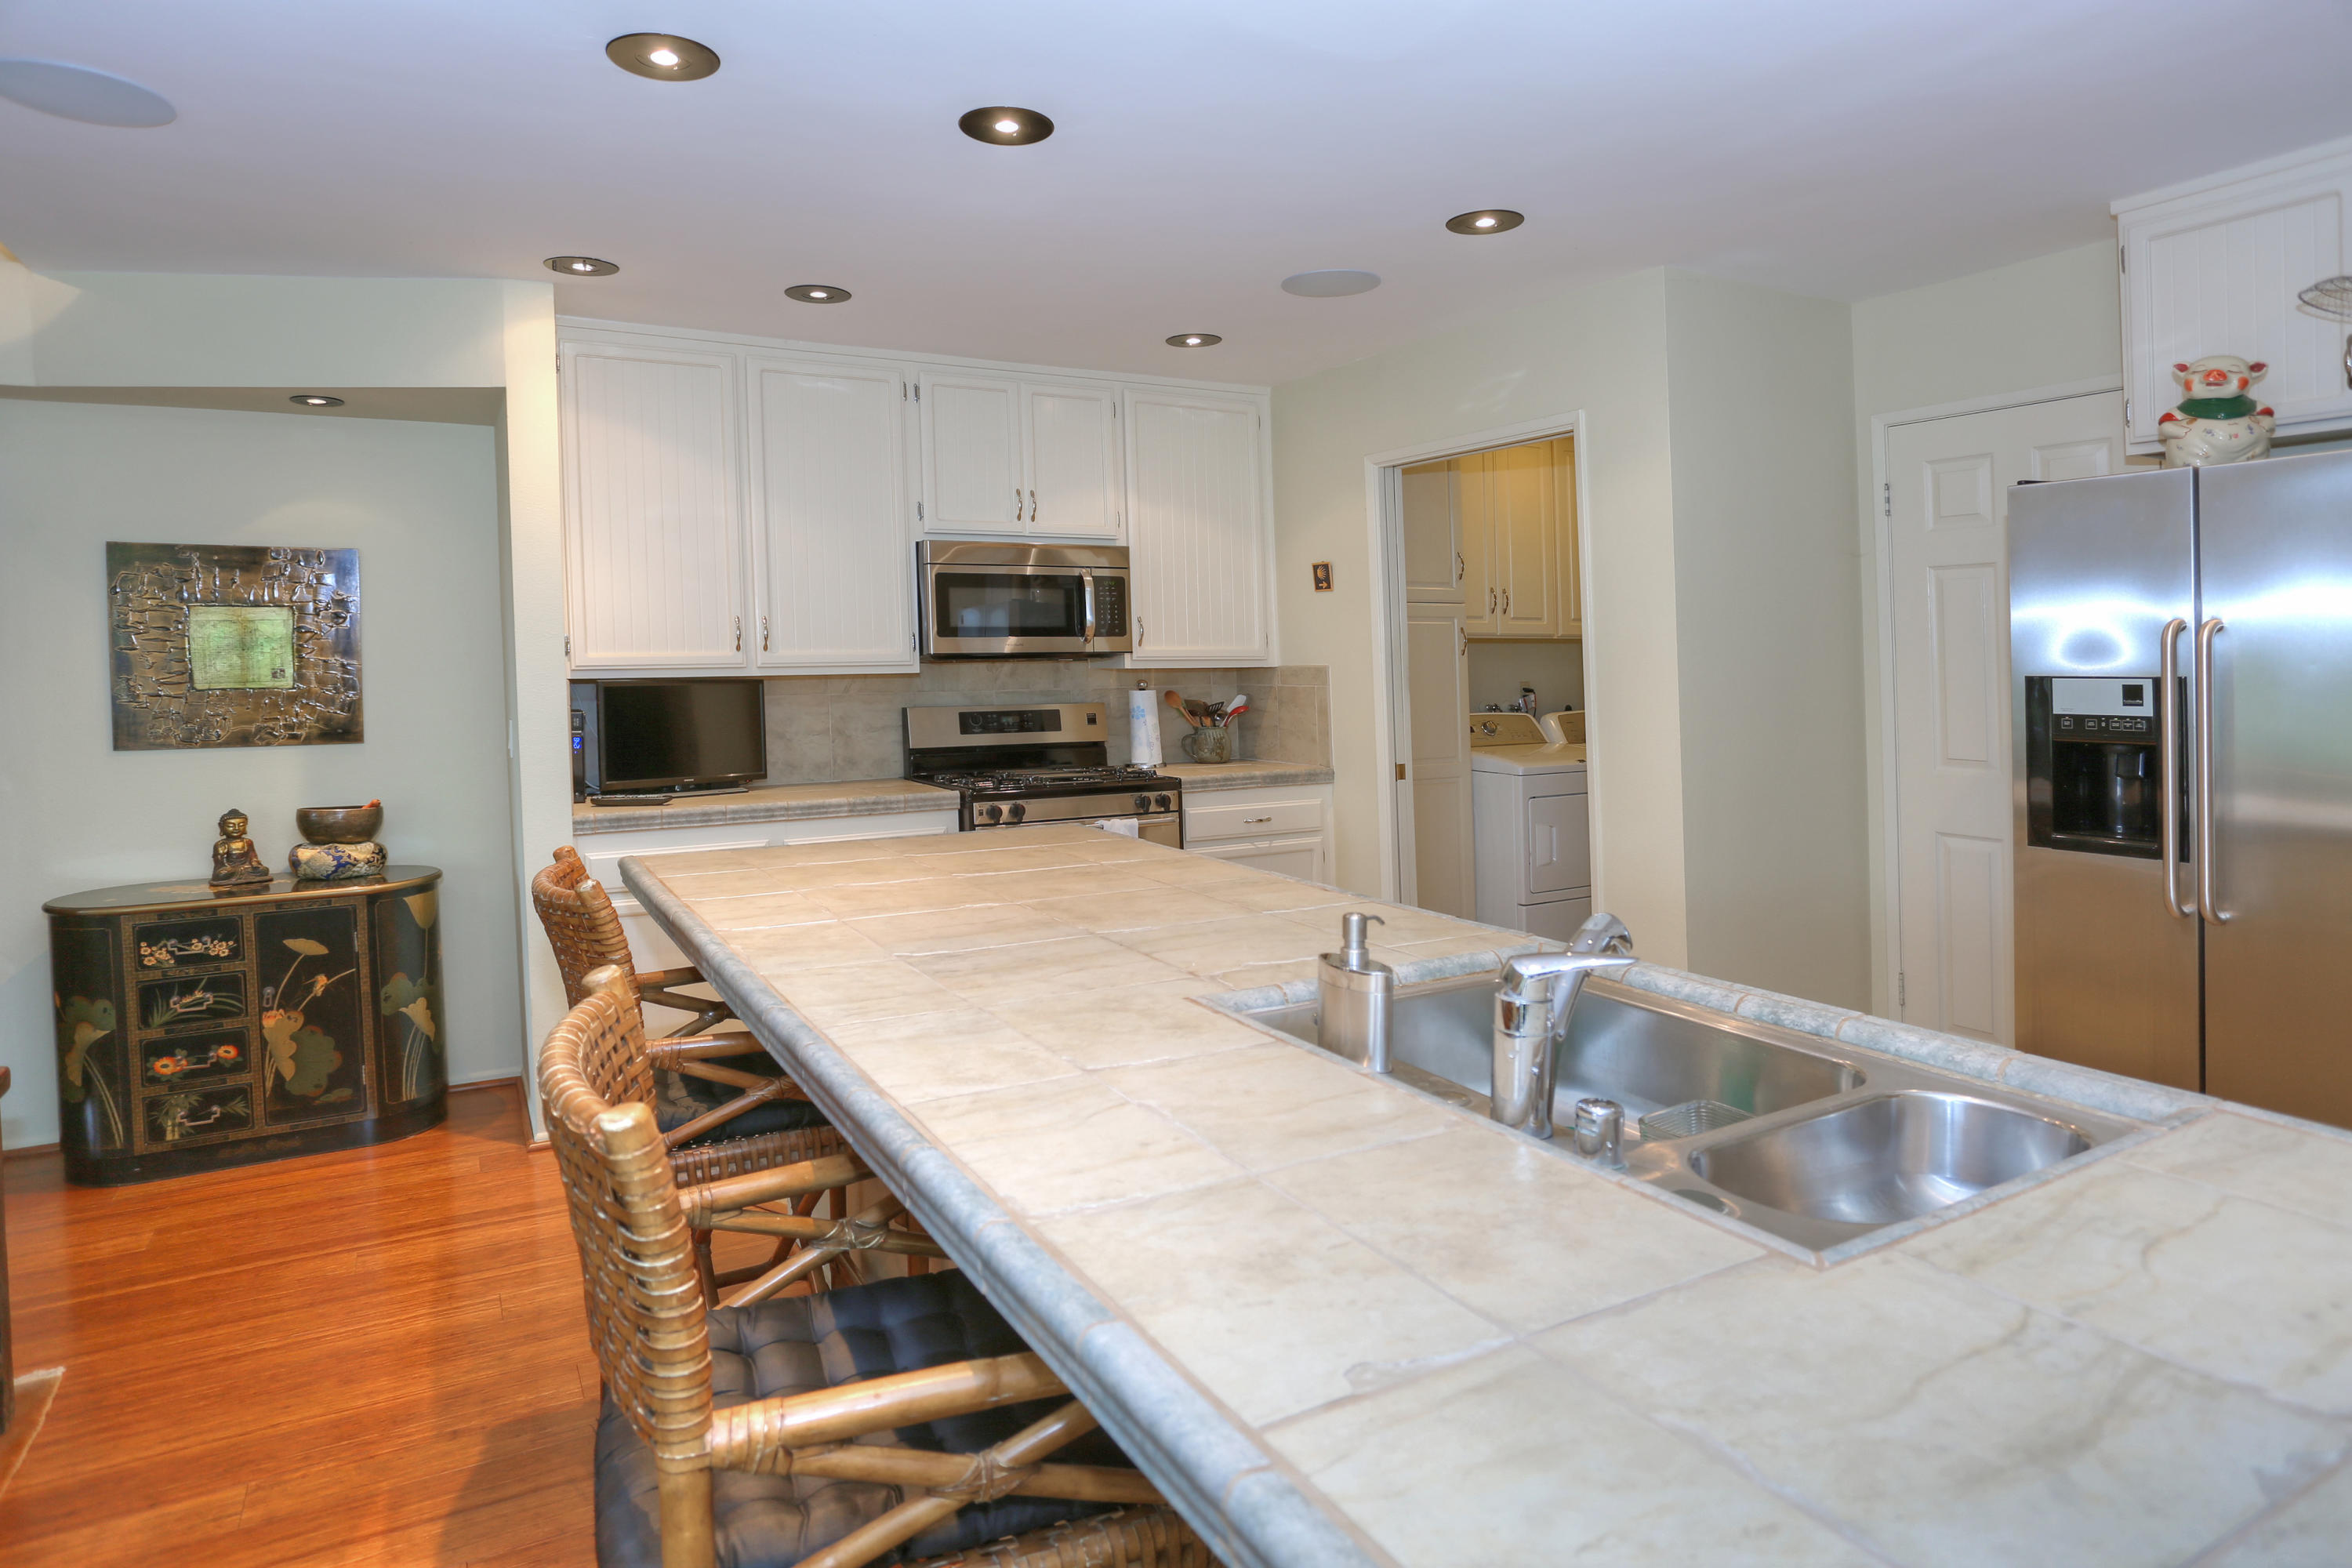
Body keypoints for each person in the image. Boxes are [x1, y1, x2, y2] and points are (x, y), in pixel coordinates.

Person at [209, 808, 270, 886]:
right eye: (231, 826)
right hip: (230, 870)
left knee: (264, 870)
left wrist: (255, 863)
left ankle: (247, 875)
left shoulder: (248, 842)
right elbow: (219, 865)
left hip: (247, 868)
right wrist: (221, 855)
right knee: (220, 875)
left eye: (241, 825)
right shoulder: (220, 844)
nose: (237, 828)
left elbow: (253, 857)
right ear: (221, 827)